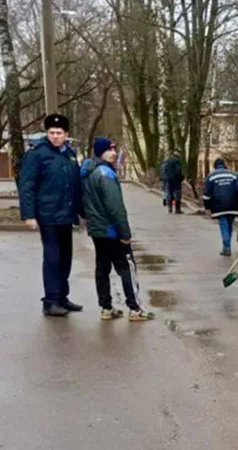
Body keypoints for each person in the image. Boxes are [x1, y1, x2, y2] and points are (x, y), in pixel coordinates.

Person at [81, 137, 155, 322]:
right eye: (109, 150)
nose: (113, 153)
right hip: (111, 229)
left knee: (102, 268)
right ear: (100, 152)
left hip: (96, 229)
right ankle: (135, 308)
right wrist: (125, 233)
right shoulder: (105, 174)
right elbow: (115, 207)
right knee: (127, 267)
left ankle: (106, 308)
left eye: (114, 149)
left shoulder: (87, 172)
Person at [18, 114, 83, 317]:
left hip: (66, 215)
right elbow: (27, 185)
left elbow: (76, 186)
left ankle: (62, 296)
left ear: (66, 134)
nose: (55, 136)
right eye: (52, 133)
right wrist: (28, 215)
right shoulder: (37, 154)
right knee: (52, 258)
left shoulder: (69, 155)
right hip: (48, 214)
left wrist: (82, 212)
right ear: (47, 133)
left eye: (59, 133)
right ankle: (51, 300)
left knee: (65, 258)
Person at [204, 157, 238, 256]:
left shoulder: (211, 176)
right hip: (232, 205)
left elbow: (206, 194)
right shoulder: (232, 175)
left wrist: (207, 207)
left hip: (219, 206)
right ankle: (227, 245)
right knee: (229, 225)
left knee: (224, 225)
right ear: (224, 165)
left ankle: (226, 248)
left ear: (215, 166)